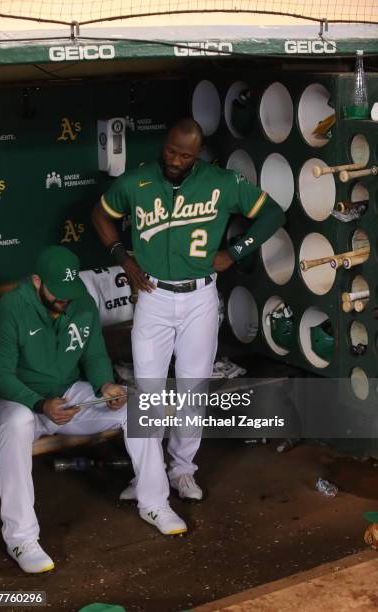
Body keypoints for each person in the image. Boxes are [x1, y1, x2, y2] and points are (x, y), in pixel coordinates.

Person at [92, 118, 285, 505]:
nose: (176, 160)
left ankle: (182, 469)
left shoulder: (222, 182)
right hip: (153, 296)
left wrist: (235, 251)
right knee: (146, 391)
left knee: (191, 388)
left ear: (197, 156)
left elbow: (273, 214)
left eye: (185, 155)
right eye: (171, 151)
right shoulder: (137, 181)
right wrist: (123, 260)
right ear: (163, 143)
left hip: (199, 296)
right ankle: (146, 477)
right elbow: (101, 215)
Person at [0, 246, 187, 574]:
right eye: (57, 292)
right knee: (18, 423)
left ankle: (154, 503)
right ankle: (21, 537)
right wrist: (39, 404)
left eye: (69, 291)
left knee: (138, 408)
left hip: (66, 397)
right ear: (37, 281)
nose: (65, 300)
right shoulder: (11, 308)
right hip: (17, 402)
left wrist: (106, 385)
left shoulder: (81, 301)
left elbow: (93, 356)